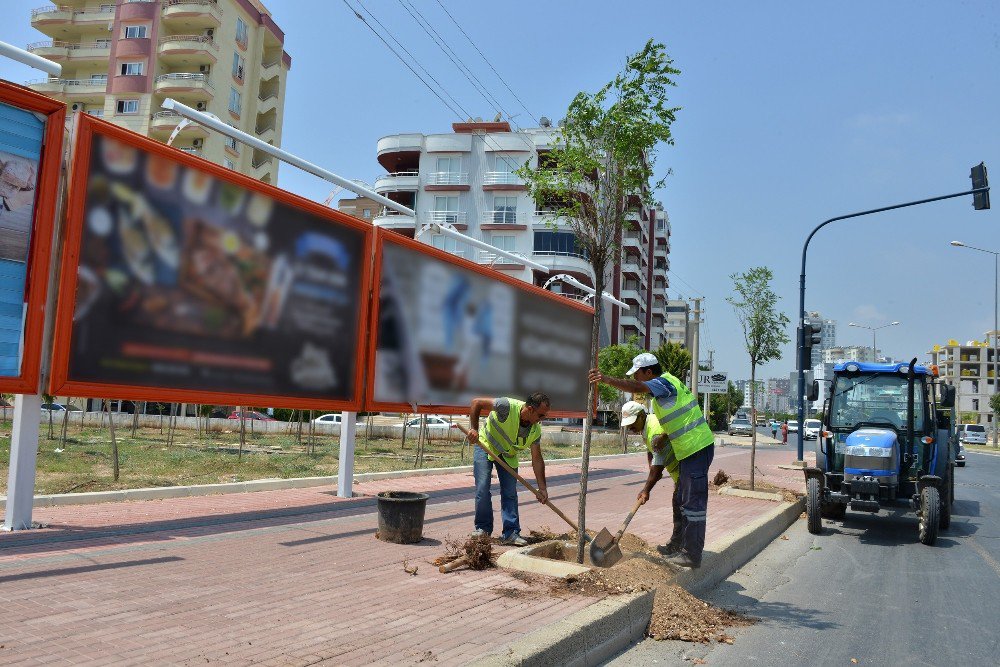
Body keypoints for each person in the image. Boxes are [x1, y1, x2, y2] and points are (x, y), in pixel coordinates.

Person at [590, 352, 715, 568]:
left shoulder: (663, 382)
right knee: (683, 502)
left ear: (649, 372)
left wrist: (607, 379)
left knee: (693, 505)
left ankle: (692, 555)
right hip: (689, 450)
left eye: (638, 375)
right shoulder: (664, 394)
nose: (637, 380)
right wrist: (664, 435)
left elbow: (638, 388)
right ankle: (681, 547)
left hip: (696, 447)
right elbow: (679, 419)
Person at [466, 392, 551, 546]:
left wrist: (542, 488)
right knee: (482, 488)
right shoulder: (506, 406)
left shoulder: (535, 430)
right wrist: (474, 429)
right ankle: (483, 530)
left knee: (510, 493)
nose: (542, 419)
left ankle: (511, 533)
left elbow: (537, 459)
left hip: (508, 455)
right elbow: (476, 402)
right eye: (541, 415)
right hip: (485, 445)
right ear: (530, 409)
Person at [620, 401, 684, 555]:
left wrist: (646, 490)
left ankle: (680, 547)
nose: (630, 428)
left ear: (642, 415)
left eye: (632, 423)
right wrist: (651, 466)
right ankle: (680, 545)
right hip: (680, 473)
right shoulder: (647, 426)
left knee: (681, 508)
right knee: (680, 507)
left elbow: (657, 468)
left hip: (686, 471)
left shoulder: (655, 430)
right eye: (628, 425)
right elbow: (651, 450)